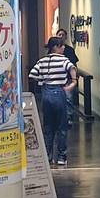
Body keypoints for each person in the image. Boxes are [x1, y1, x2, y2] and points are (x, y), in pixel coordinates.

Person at [29, 38, 77, 166]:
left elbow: (32, 75)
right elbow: (72, 68)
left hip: (46, 93)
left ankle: (47, 156)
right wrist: (73, 82)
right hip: (59, 92)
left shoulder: (42, 61)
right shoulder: (63, 60)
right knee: (62, 127)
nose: (64, 48)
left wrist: (42, 80)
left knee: (48, 127)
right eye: (62, 46)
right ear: (56, 47)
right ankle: (61, 157)